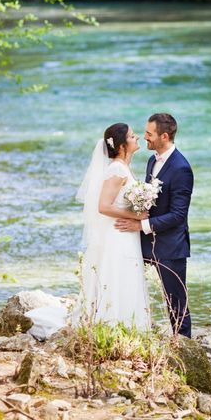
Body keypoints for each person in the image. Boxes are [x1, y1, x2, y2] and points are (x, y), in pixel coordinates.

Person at [115, 113, 194, 338]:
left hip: (170, 246)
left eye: (149, 134)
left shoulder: (181, 168)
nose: (145, 137)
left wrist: (141, 226)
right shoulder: (152, 160)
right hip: (146, 242)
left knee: (176, 301)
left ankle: (183, 346)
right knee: (128, 282)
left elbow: (178, 215)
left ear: (164, 136)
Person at [71, 123, 151, 330]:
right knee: (118, 273)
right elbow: (103, 206)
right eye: (133, 137)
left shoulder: (123, 167)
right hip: (119, 232)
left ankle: (128, 324)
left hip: (126, 232)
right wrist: (135, 216)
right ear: (122, 146)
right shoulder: (116, 169)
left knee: (126, 273)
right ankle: (112, 323)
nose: (138, 138)